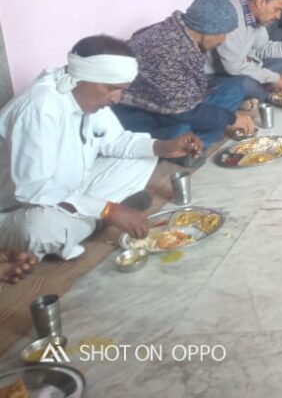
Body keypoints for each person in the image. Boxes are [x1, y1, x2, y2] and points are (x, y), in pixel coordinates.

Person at [0, 36, 203, 259]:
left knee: (143, 157)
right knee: (41, 229)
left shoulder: (83, 96)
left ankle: (85, 221)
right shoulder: (40, 108)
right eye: (113, 89)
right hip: (17, 208)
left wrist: (164, 147)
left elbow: (117, 141)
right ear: (85, 78)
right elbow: (31, 189)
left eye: (122, 90)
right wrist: (108, 210)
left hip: (69, 189)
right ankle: (94, 221)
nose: (117, 99)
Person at [113, 0, 256, 152]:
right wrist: (231, 118)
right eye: (222, 33)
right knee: (182, 131)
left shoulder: (182, 32)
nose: (223, 40)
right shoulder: (167, 51)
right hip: (142, 113)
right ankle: (193, 146)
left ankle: (196, 140)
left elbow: (189, 93)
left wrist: (224, 117)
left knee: (234, 89)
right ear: (208, 28)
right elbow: (183, 112)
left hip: (174, 103)